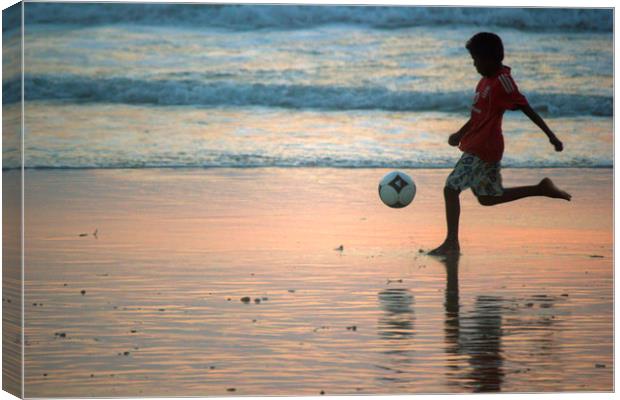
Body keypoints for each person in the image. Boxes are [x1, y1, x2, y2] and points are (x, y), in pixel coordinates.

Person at [429, 32, 571, 256]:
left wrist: (551, 136)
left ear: (490, 59)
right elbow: (479, 115)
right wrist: (460, 132)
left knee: (450, 188)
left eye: (476, 60)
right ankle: (540, 189)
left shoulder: (502, 82)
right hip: (479, 144)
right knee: (487, 198)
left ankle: (451, 243)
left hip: (483, 148)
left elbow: (526, 108)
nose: (474, 64)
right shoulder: (484, 80)